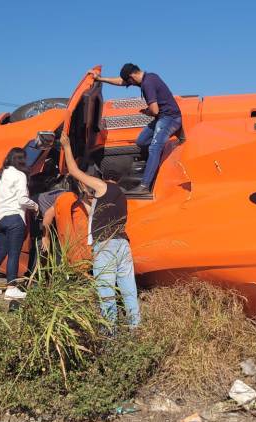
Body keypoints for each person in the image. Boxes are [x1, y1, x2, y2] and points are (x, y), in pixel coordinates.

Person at [60, 133, 141, 328]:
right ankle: (135, 327)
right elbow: (95, 214)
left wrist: (67, 146)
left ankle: (109, 333)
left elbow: (73, 170)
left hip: (106, 245)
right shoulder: (120, 194)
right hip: (122, 245)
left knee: (106, 292)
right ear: (120, 177)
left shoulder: (102, 187)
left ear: (103, 176)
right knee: (129, 291)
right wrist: (84, 199)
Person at [91, 63, 182, 194]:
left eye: (129, 81)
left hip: (169, 118)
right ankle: (155, 158)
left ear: (132, 76)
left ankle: (144, 186)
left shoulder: (147, 84)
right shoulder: (148, 77)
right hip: (162, 117)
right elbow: (121, 81)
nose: (128, 84)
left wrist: (146, 111)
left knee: (154, 148)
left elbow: (155, 111)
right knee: (141, 141)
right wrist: (100, 79)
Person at [0, 148, 39, 300]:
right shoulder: (19, 175)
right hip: (14, 219)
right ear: (21, 160)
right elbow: (22, 200)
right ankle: (11, 288)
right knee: (14, 253)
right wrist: (35, 206)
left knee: (0, 252)